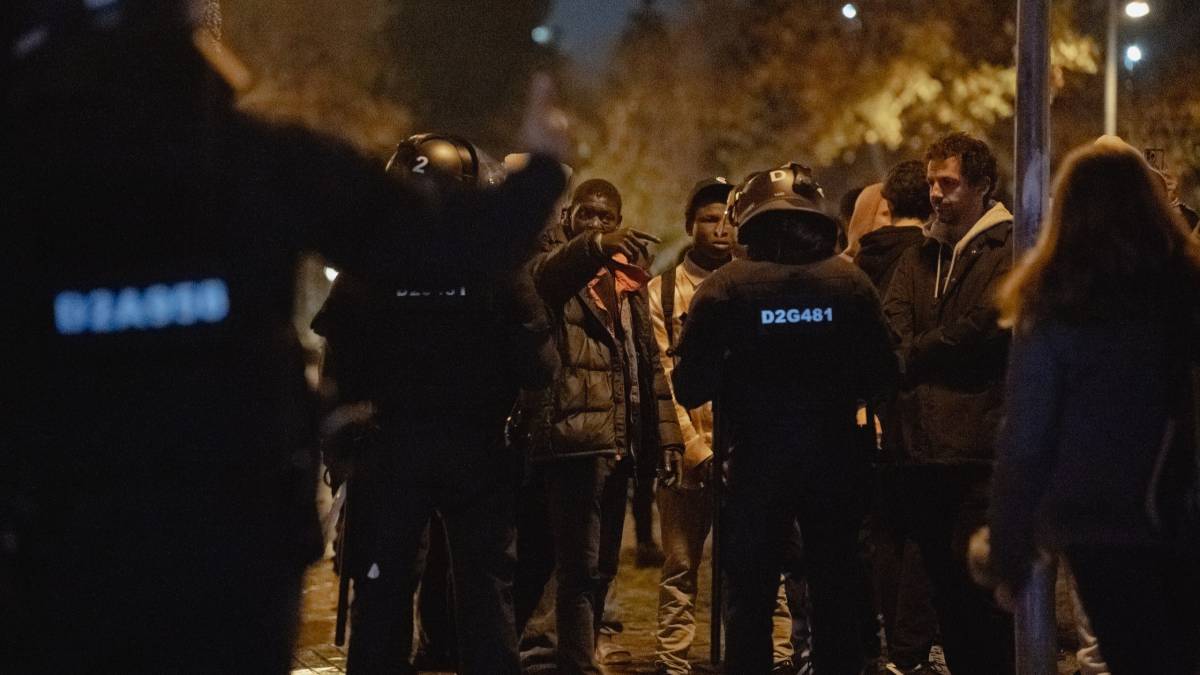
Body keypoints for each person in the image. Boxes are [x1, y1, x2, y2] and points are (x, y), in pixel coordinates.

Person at [3, 3, 567, 672]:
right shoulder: (255, 162)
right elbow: (439, 246)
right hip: (231, 545)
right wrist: (539, 174)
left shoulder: (28, 185)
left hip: (63, 551)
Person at [311, 133, 559, 675]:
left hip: (389, 451)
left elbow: (338, 366)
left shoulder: (370, 263)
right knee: (486, 594)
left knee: (380, 597)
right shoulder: (496, 264)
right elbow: (540, 368)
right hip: (477, 450)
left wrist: (340, 449)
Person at [672, 163, 897, 674]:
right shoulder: (849, 281)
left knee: (748, 601)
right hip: (837, 464)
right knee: (836, 594)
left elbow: (690, 386)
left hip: (753, 466)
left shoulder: (725, 287)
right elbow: (884, 373)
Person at [988, 141, 1200, 675]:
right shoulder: (1183, 290)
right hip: (1179, 504)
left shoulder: (1057, 301)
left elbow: (1027, 438)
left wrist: (1009, 549)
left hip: (1101, 522)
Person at [519, 178, 684, 675]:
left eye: (605, 218)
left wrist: (666, 437)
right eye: (586, 215)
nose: (596, 224)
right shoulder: (552, 267)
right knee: (576, 568)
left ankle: (574, 653)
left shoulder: (626, 281)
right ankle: (570, 662)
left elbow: (648, 364)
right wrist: (592, 248)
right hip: (573, 442)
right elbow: (548, 276)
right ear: (569, 215)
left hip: (619, 441)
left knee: (601, 568)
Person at [648, 177, 798, 675]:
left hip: (747, 450)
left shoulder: (757, 283)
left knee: (760, 565)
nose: (719, 229)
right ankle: (674, 660)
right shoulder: (663, 291)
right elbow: (665, 377)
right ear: (690, 224)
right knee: (681, 567)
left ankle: (772, 655)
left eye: (727, 219)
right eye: (709, 219)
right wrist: (693, 448)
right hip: (687, 453)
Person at [881, 132, 1015, 675]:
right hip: (923, 453)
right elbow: (890, 328)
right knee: (946, 598)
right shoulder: (919, 255)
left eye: (949, 182)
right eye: (932, 181)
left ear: (982, 186)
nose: (935, 193)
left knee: (982, 599)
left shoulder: (1008, 249)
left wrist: (916, 352)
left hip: (978, 454)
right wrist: (919, 351)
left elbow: (984, 328)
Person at [853, 160, 940, 675]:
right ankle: (910, 650)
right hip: (919, 410)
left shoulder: (857, 264)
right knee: (924, 532)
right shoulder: (931, 262)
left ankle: (883, 639)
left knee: (882, 530)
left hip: (870, 414)